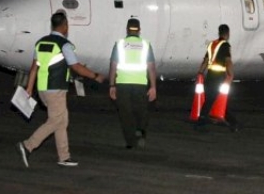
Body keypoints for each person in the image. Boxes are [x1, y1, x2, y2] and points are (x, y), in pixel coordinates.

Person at [17, 11, 105, 168]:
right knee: (55, 121)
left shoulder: (41, 43)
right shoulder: (64, 45)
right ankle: (27, 145)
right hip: (55, 88)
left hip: (42, 88)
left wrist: (29, 88)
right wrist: (95, 75)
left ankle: (64, 157)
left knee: (62, 121)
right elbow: (76, 67)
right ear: (65, 26)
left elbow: (34, 68)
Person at [108, 18, 158, 149]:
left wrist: (111, 85)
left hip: (123, 83)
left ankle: (130, 141)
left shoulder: (119, 44)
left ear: (127, 29)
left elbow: (113, 66)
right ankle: (140, 131)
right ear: (139, 30)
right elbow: (151, 67)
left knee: (125, 114)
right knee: (141, 111)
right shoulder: (146, 44)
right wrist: (153, 87)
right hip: (140, 84)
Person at [195, 24, 238, 132]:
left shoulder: (212, 44)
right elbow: (228, 61)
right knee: (215, 98)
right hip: (218, 76)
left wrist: (200, 72)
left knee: (212, 97)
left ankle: (205, 118)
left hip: (209, 75)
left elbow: (205, 60)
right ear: (227, 34)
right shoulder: (225, 45)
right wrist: (231, 74)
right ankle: (205, 118)